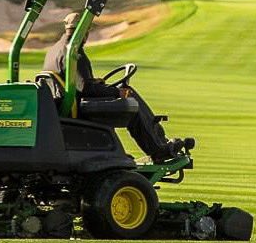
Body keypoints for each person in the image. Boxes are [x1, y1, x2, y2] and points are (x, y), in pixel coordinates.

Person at [39, 13, 189, 163]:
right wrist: (116, 91)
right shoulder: (73, 53)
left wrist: (101, 85)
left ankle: (153, 145)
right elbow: (87, 89)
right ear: (84, 31)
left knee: (126, 95)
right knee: (131, 102)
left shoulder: (55, 49)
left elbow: (80, 83)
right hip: (79, 108)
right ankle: (158, 149)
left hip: (67, 104)